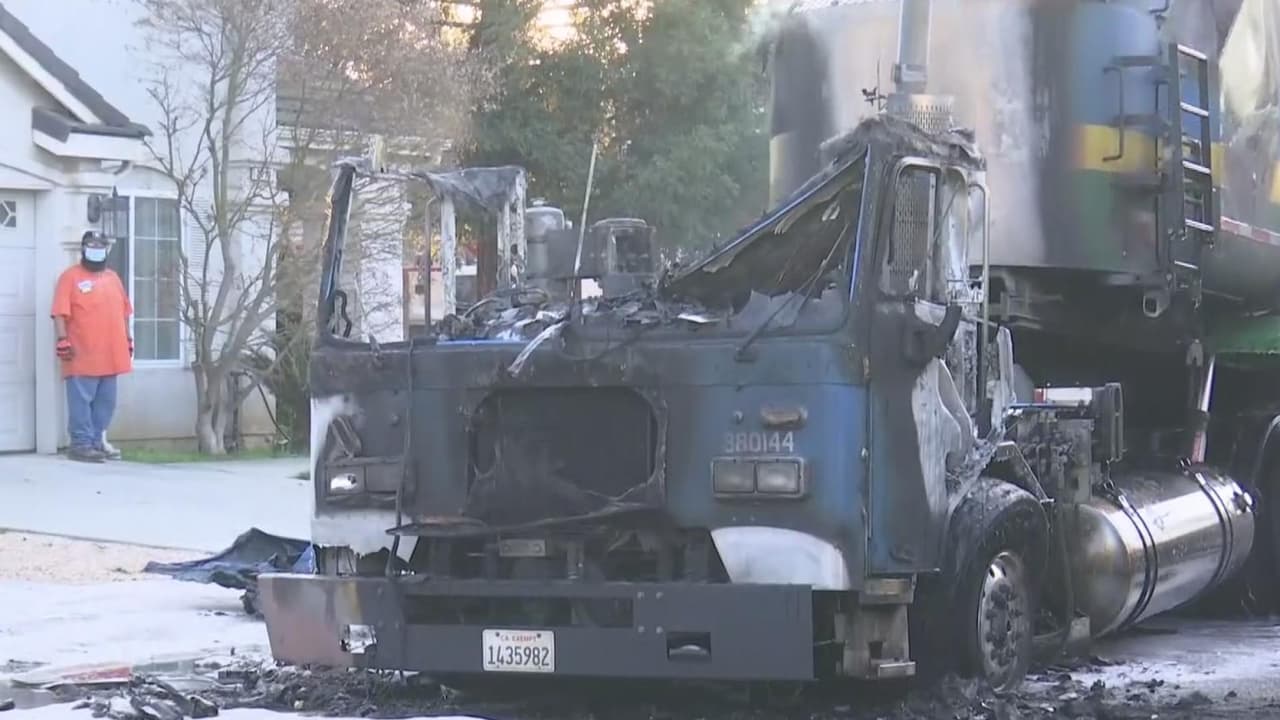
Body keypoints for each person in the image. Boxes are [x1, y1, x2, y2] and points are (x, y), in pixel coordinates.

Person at [50, 231, 134, 463]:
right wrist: (62, 340)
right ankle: (81, 444)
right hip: (82, 353)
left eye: (100, 245)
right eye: (91, 245)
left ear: (106, 250)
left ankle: (97, 441)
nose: (96, 248)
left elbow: (125, 312)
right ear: (83, 249)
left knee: (106, 402)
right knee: (81, 401)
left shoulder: (113, 278)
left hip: (112, 353)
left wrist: (128, 339)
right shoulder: (70, 278)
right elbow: (59, 312)